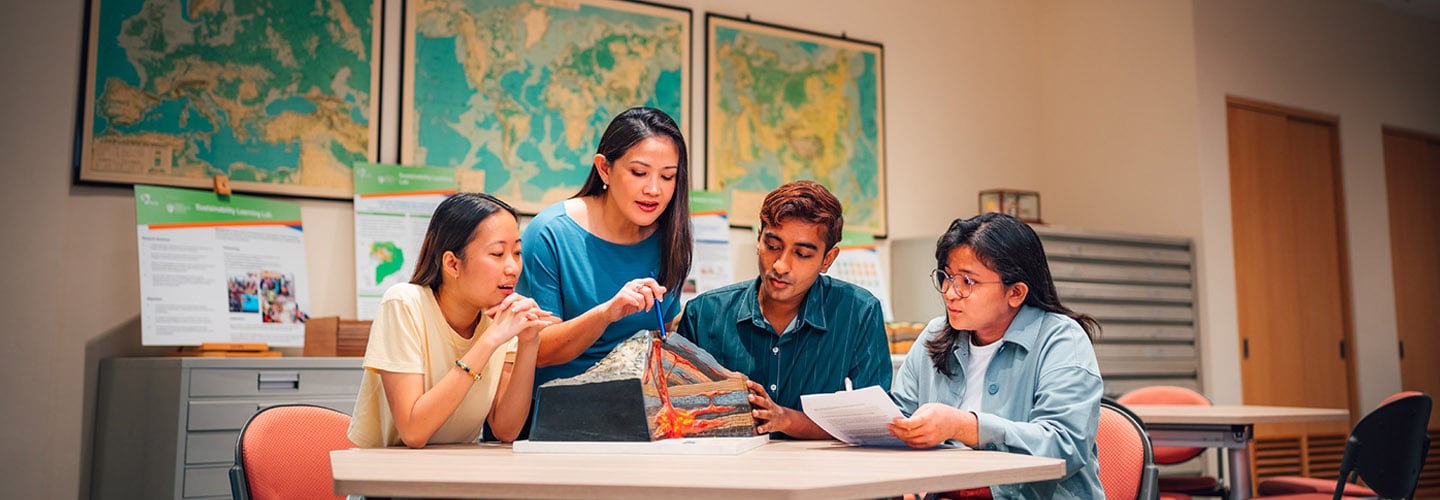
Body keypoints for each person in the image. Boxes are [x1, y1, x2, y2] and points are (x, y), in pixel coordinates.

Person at [887, 212, 1104, 498]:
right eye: (947, 277)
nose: (950, 292)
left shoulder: (1061, 339)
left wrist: (963, 425)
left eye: (968, 281)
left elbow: (1064, 446)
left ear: (1015, 292)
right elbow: (899, 417)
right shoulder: (934, 334)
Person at [678, 180, 892, 439]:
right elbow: (676, 416)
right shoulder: (704, 314)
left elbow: (872, 423)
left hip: (820, 475)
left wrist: (786, 420)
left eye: (801, 254)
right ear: (759, 239)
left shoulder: (859, 313)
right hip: (728, 472)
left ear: (827, 259)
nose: (780, 265)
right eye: (773, 246)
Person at [348, 192, 557, 448]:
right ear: (452, 264)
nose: (513, 268)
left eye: (516, 252)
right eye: (497, 253)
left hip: (454, 475)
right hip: (385, 479)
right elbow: (413, 432)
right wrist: (490, 341)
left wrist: (528, 343)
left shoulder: (502, 320)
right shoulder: (404, 304)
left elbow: (506, 429)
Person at [517, 106, 691, 387]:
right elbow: (538, 350)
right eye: (639, 172)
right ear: (604, 169)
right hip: (554, 417)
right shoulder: (550, 233)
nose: (654, 190)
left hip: (638, 415)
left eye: (667, 176)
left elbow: (664, 336)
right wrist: (607, 313)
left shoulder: (670, 238)